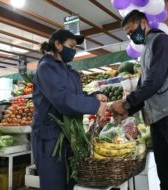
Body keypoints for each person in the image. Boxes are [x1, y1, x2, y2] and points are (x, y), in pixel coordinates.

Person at [110, 10, 168, 190]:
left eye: (132, 31)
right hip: (158, 120)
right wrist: (127, 111)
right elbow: (143, 87)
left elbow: (155, 81)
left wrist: (126, 103)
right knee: (166, 175)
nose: (132, 36)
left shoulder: (161, 41)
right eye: (128, 34)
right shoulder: (145, 50)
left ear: (144, 23)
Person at [31, 30, 107, 190]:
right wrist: (95, 106)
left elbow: (76, 95)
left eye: (75, 47)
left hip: (69, 135)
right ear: (58, 45)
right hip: (49, 138)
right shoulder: (46, 68)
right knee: (55, 184)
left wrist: (94, 96)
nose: (74, 50)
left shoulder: (69, 71)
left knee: (71, 182)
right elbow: (63, 100)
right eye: (71, 46)